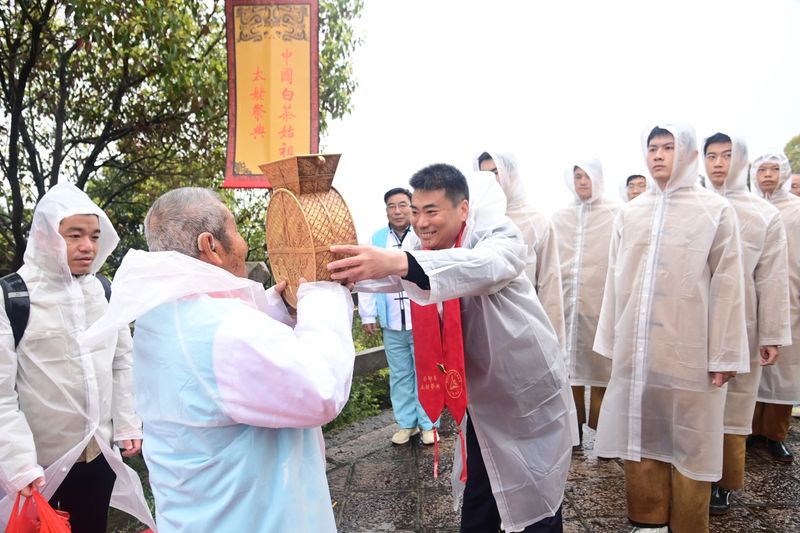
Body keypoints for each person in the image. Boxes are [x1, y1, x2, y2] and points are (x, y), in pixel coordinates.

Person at [80, 187, 355, 532]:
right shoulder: (224, 330)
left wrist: (278, 309)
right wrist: (323, 296)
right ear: (210, 245)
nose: (244, 244)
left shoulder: (161, 313)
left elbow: (232, 345)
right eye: (237, 231)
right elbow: (320, 389)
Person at [328, 164, 576, 532]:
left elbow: (484, 266)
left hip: (523, 392)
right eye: (415, 212)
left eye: (432, 211)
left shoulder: (496, 236)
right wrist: (346, 276)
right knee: (480, 480)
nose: (421, 223)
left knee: (536, 491)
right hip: (477, 395)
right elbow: (396, 276)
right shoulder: (419, 247)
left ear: (463, 209)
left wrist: (399, 262)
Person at [593, 124, 748, 533]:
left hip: (692, 351)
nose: (659, 155)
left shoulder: (714, 210)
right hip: (639, 351)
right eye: (652, 148)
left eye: (668, 147)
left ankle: (688, 524)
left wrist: (726, 355)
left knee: (691, 443)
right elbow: (614, 279)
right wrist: (611, 341)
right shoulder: (632, 212)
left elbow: (730, 286)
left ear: (688, 153)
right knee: (639, 434)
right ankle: (646, 521)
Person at [0, 183, 154, 531]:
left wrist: (127, 421)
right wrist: (19, 462)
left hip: (96, 455)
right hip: (40, 466)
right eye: (74, 235)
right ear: (45, 236)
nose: (87, 246)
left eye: (95, 236)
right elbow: (2, 393)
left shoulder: (102, 290)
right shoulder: (13, 296)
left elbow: (121, 361)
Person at [702, 133, 791, 513]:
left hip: (743, 322)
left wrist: (770, 333)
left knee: (734, 407)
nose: (718, 163)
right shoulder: (694, 206)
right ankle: (692, 472)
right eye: (711, 156)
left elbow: (771, 277)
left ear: (742, 161)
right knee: (694, 402)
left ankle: (725, 481)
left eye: (727, 155)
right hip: (694, 320)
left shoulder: (763, 214)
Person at [359, 187, 438, 445]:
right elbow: (369, 275)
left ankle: (429, 424)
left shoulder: (421, 234)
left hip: (422, 320)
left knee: (426, 371)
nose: (397, 210)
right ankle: (407, 424)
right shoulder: (378, 238)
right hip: (392, 321)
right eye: (392, 206)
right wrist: (368, 315)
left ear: (411, 206)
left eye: (403, 204)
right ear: (386, 211)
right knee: (400, 373)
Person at [552, 158, 620, 448]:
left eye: (587, 175)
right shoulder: (560, 217)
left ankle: (606, 435)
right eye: (577, 175)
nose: (582, 181)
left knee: (605, 371)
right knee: (570, 372)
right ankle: (574, 431)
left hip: (604, 308)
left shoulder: (618, 214)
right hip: (569, 309)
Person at [474, 151, 566, 344]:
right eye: (484, 175)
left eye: (496, 172)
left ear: (511, 174)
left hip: (526, 325)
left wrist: (554, 341)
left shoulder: (536, 220)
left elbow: (549, 282)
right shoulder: (474, 220)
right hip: (484, 328)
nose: (491, 181)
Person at [749, 151, 800, 463]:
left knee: (783, 370)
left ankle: (775, 434)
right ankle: (750, 427)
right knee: (752, 369)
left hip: (791, 297)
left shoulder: (796, 211)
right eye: (762, 169)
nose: (768, 174)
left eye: (774, 169)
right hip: (752, 299)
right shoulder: (748, 208)